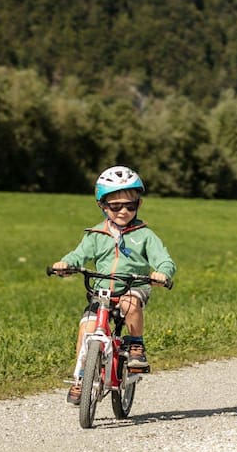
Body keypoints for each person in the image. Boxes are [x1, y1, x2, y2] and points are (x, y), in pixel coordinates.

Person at [52, 166, 177, 404]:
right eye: (116, 206)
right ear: (102, 205)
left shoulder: (145, 235)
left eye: (130, 205)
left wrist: (162, 272)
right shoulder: (96, 235)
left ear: (138, 205)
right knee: (86, 330)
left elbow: (164, 259)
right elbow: (79, 255)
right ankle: (80, 379)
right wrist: (65, 264)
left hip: (133, 286)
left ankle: (136, 345)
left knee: (130, 304)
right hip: (100, 292)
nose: (123, 211)